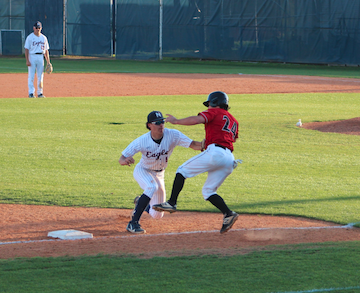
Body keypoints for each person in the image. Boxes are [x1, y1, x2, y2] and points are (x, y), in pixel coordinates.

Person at [153, 91, 240, 234]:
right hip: (229, 159)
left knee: (182, 170)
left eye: (210, 104)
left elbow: (197, 119)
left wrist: (176, 121)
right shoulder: (234, 120)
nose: (209, 107)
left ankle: (172, 203)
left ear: (215, 102)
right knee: (208, 191)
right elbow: (231, 138)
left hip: (216, 153)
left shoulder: (215, 112)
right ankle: (228, 213)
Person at [119, 110, 202, 234]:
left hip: (159, 173)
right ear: (149, 125)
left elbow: (194, 145)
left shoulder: (173, 135)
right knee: (151, 186)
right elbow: (121, 159)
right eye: (157, 123)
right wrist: (126, 161)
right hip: (143, 170)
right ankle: (133, 223)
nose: (161, 125)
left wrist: (209, 145)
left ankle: (140, 202)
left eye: (162, 121)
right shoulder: (142, 141)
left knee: (157, 214)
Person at [24, 21, 51, 98]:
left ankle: (40, 93)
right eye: (36, 27)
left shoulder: (44, 38)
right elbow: (26, 49)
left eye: (39, 28)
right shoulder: (30, 37)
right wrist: (27, 60)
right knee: (31, 76)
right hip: (32, 56)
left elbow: (46, 51)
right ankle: (31, 93)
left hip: (40, 57)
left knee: (40, 76)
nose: (38, 29)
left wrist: (48, 62)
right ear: (33, 28)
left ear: (41, 28)